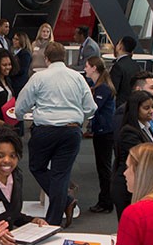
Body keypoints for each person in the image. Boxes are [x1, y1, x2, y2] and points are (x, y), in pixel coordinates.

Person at [14, 42, 97, 227]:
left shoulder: (39, 77)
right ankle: (56, 216)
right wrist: (78, 117)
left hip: (45, 131)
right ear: (65, 57)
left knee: (37, 167)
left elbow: (21, 106)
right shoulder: (77, 77)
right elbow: (91, 108)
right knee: (61, 174)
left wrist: (21, 116)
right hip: (72, 130)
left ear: (46, 58)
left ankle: (62, 206)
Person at [111, 91, 153, 219]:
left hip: (141, 183)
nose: (151, 111)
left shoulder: (148, 127)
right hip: (126, 186)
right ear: (135, 109)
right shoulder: (128, 132)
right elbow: (143, 156)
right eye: (146, 108)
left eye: (152, 107)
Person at [85, 56, 117, 214]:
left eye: (87, 66)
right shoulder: (98, 86)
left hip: (105, 132)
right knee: (103, 166)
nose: (85, 69)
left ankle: (106, 201)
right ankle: (106, 199)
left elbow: (93, 108)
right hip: (102, 130)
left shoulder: (103, 88)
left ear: (94, 68)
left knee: (104, 167)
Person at [110, 36, 141, 107]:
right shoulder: (135, 65)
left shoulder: (118, 66)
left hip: (120, 105)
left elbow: (113, 89)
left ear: (120, 47)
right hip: (132, 103)